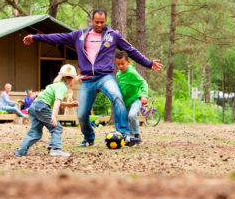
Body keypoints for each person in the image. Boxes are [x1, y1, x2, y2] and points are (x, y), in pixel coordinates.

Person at [23, 9, 163, 147]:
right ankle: (89, 138)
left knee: (117, 96)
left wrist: (148, 63)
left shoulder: (113, 35)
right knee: (82, 115)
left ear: (105, 21)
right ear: (92, 20)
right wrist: (35, 37)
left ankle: (124, 134)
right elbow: (58, 37)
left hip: (105, 76)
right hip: (87, 79)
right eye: (97, 22)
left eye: (102, 22)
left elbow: (131, 51)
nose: (99, 25)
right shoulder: (79, 35)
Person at [15, 64, 80, 157]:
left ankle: (21, 151)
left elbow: (55, 100)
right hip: (41, 106)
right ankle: (55, 149)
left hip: (34, 107)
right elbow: (57, 101)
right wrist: (53, 116)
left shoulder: (56, 85)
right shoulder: (63, 87)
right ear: (72, 79)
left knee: (36, 132)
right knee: (57, 127)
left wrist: (70, 104)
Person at [115, 50, 148, 146]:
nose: (120, 66)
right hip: (125, 102)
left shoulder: (132, 72)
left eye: (122, 64)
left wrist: (144, 95)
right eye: (118, 64)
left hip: (136, 99)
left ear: (128, 62)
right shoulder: (118, 75)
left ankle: (137, 135)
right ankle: (131, 140)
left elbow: (143, 83)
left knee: (132, 115)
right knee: (126, 121)